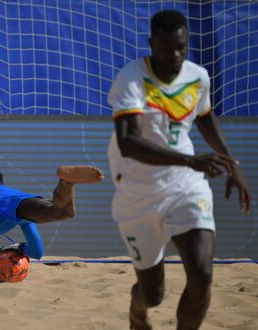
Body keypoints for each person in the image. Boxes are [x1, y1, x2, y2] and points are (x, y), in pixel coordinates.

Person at [107, 10, 251, 330]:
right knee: (152, 294)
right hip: (137, 193)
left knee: (202, 275)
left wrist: (231, 164)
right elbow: (128, 141)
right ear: (151, 44)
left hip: (186, 186)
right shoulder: (132, 79)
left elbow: (204, 116)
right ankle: (137, 306)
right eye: (167, 48)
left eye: (182, 48)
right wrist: (191, 160)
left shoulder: (197, 76)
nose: (175, 56)